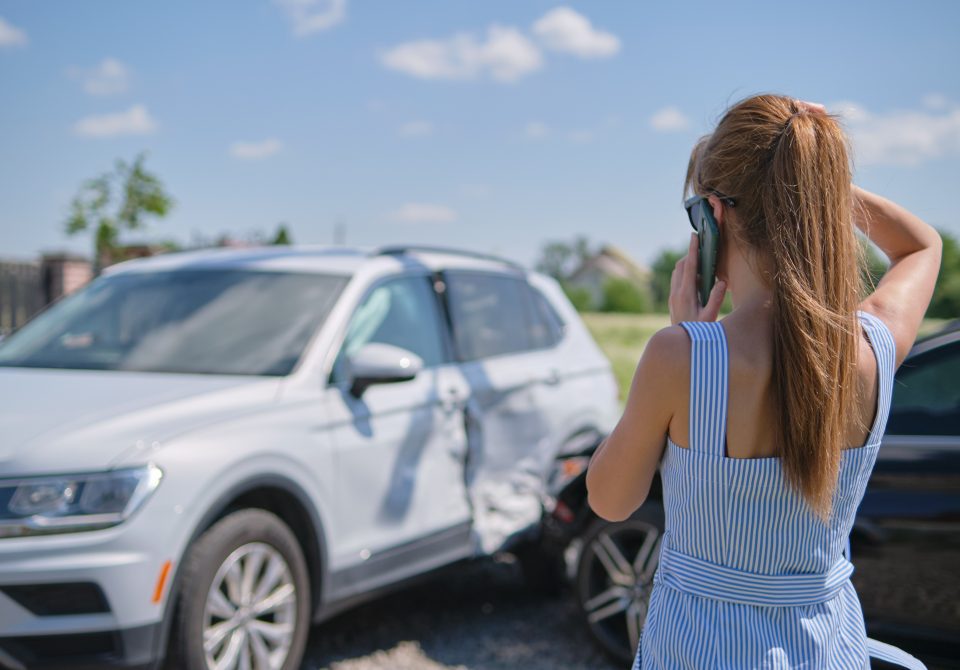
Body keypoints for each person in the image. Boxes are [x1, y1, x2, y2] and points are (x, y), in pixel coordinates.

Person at [585, 94, 943, 669]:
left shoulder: (679, 357)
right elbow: (923, 245)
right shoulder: (873, 347)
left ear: (712, 215)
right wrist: (813, 181)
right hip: (828, 649)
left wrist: (683, 340)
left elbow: (609, 499)